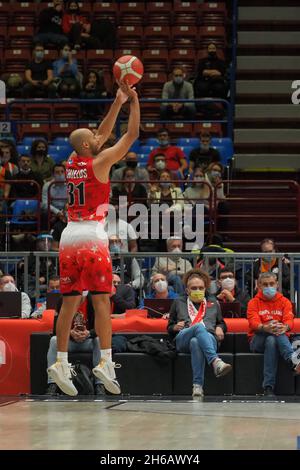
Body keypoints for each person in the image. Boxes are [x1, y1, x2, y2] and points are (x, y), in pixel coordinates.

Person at [47, 80, 140, 396]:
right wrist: (135, 103)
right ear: (88, 146)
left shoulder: (72, 161)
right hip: (91, 236)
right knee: (102, 301)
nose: (101, 137)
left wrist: (117, 101)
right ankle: (106, 362)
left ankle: (60, 361)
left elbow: (100, 134)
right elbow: (130, 136)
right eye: (95, 138)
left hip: (68, 236)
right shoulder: (100, 162)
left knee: (70, 304)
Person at [168, 268, 231, 398]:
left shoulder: (213, 302)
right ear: (187, 290)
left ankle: (197, 386)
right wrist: (174, 327)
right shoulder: (178, 302)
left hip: (209, 337)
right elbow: (169, 326)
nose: (198, 290)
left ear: (205, 288)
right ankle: (215, 361)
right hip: (184, 337)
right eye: (194, 288)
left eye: (201, 288)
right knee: (197, 327)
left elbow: (221, 322)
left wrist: (220, 328)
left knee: (196, 342)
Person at [247, 272, 300, 396]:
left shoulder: (285, 302)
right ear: (259, 286)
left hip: (276, 339)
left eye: (271, 284)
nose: (268, 287)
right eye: (265, 284)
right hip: (256, 340)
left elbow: (289, 320)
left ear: (277, 284)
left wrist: (284, 326)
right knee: (274, 333)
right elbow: (253, 323)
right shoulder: (253, 302)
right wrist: (265, 327)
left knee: (272, 340)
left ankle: (268, 388)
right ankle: (293, 360)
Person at [46, 293, 105, 396]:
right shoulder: (62, 300)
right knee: (54, 340)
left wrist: (89, 333)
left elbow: (101, 327)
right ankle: (53, 383)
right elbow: (56, 330)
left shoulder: (93, 300)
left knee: (99, 340)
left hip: (88, 341)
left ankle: (100, 384)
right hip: (69, 342)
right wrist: (69, 333)